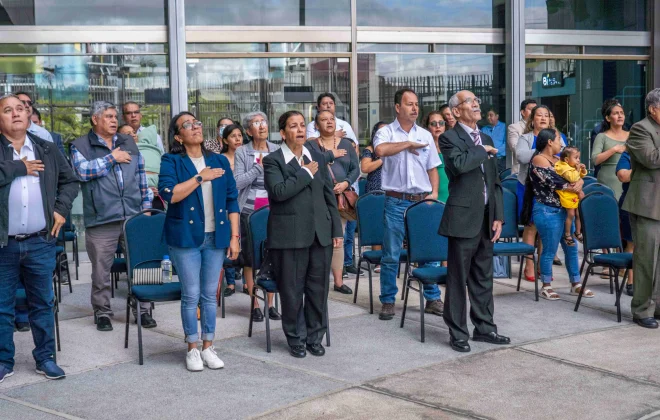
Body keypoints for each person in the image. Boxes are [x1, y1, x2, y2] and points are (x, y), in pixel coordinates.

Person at [0, 93, 79, 383]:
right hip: (3, 244)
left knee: (43, 303)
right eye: (8, 110)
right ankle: (3, 360)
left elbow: (70, 181)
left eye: (20, 108)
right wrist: (20, 167)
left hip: (40, 241)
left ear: (29, 114)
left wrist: (60, 209)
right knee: (2, 306)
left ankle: (45, 358)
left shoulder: (46, 149)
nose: (16, 113)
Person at [158, 111, 240, 370]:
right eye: (188, 125)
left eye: (197, 123)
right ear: (178, 136)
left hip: (216, 236)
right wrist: (200, 177)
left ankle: (208, 346)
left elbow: (231, 200)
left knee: (209, 294)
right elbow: (170, 195)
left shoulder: (219, 160)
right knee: (191, 294)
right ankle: (192, 348)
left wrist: (235, 237)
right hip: (185, 238)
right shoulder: (171, 160)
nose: (195, 127)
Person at [70, 101, 156, 332]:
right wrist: (112, 158)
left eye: (114, 116)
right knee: (101, 270)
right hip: (102, 219)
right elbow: (82, 172)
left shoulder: (127, 142)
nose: (114, 120)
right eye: (108, 116)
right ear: (95, 119)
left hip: (134, 216)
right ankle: (103, 312)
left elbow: (141, 177)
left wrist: (146, 208)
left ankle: (143, 310)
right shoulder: (80, 146)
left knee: (140, 266)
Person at [263, 110, 342, 358]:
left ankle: (314, 336)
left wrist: (336, 229)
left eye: (301, 125)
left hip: (321, 234)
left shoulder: (316, 155)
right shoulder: (273, 160)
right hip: (290, 236)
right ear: (283, 133)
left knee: (318, 289)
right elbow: (279, 192)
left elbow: (329, 195)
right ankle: (295, 337)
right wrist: (305, 172)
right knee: (292, 290)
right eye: (293, 126)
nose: (299, 130)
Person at [438, 90, 508, 353]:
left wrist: (498, 215)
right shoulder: (449, 137)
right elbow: (458, 166)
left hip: (487, 218)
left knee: (483, 276)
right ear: (456, 111)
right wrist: (481, 149)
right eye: (470, 102)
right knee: (458, 278)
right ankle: (457, 332)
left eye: (477, 101)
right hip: (463, 217)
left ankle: (485, 328)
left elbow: (495, 181)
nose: (476, 104)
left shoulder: (487, 137)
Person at [373, 88, 443, 321]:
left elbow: (432, 168)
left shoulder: (425, 134)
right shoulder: (386, 133)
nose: (415, 108)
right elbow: (380, 151)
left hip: (421, 201)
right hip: (395, 201)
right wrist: (406, 144)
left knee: (428, 253)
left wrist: (433, 193)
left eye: (416, 104)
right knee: (392, 254)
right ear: (397, 107)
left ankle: (432, 298)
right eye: (409, 104)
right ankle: (388, 300)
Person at [521, 128, 593, 301]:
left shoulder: (559, 160)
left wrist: (580, 180)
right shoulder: (539, 159)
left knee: (571, 247)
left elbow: (575, 174)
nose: (562, 143)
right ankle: (546, 285)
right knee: (550, 249)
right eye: (559, 139)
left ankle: (575, 283)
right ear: (550, 142)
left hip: (564, 209)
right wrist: (575, 184)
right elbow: (554, 181)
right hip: (547, 210)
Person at [305, 93, 362, 278]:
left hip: (340, 198)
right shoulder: (310, 146)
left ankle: (338, 280)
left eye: (332, 119)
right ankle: (318, 276)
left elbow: (356, 169)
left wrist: (346, 183)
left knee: (339, 237)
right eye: (324, 120)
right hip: (317, 198)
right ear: (316, 125)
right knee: (318, 238)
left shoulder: (346, 143)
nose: (329, 122)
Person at [234, 111, 281, 322]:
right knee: (251, 259)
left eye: (263, 122)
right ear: (248, 130)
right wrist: (257, 168)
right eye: (256, 123)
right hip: (249, 211)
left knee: (273, 255)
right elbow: (237, 183)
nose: (261, 126)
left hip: (273, 209)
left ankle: (270, 304)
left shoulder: (277, 149)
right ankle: (254, 304)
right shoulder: (242, 152)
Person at [622, 88, 660, 329]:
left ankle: (658, 305)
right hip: (648, 205)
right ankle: (642, 309)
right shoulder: (640, 129)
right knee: (647, 259)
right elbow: (651, 159)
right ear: (653, 109)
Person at [516, 105, 566, 280]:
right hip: (528, 187)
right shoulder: (525, 137)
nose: (543, 118)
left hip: (552, 189)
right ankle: (529, 265)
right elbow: (521, 156)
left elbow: (565, 156)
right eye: (539, 115)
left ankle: (542, 266)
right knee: (531, 226)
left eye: (546, 115)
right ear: (532, 119)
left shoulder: (557, 137)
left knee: (545, 229)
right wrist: (545, 149)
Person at [218, 123, 243, 297]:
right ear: (225, 140)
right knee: (228, 241)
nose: (238, 139)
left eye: (240, 135)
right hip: (228, 206)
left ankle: (242, 275)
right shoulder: (221, 159)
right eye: (233, 136)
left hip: (246, 204)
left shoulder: (247, 156)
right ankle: (231, 282)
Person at [360, 121, 387, 273]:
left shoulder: (394, 148)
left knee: (390, 225)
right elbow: (365, 167)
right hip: (375, 190)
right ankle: (378, 261)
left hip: (391, 189)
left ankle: (388, 258)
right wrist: (383, 159)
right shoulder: (370, 150)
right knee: (377, 224)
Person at [591, 101, 628, 200]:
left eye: (622, 113)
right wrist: (613, 149)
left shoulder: (631, 135)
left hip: (627, 178)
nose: (620, 116)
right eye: (616, 113)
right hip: (607, 181)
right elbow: (595, 159)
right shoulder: (601, 136)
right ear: (608, 118)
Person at [554, 146, 587, 245]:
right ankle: (567, 234)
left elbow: (580, 177)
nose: (578, 160)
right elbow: (572, 178)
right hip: (567, 195)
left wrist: (583, 170)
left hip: (574, 193)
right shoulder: (562, 167)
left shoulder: (571, 166)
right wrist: (577, 170)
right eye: (576, 158)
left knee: (578, 213)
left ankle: (578, 232)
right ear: (567, 159)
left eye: (579, 158)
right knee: (571, 214)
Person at [616, 150, 634, 297]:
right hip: (631, 202)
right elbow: (622, 175)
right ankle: (631, 282)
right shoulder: (628, 154)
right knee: (631, 243)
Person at [135, 125, 164, 210]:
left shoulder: (153, 150)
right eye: (127, 133)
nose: (132, 135)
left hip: (157, 195)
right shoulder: (122, 154)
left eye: (133, 133)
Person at [423, 111, 449, 202]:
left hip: (451, 192)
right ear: (427, 127)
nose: (438, 126)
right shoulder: (423, 146)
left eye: (441, 123)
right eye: (433, 123)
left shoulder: (453, 145)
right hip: (429, 193)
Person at [507, 99, 537, 174]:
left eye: (535, 110)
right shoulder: (514, 127)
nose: (534, 112)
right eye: (531, 109)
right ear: (523, 112)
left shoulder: (541, 128)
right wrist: (541, 152)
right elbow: (516, 149)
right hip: (521, 172)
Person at [481, 108, 507, 173]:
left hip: (500, 160)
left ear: (497, 116)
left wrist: (494, 151)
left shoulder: (504, 127)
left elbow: (506, 144)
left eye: (491, 115)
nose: (488, 117)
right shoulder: (484, 129)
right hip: (487, 160)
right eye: (487, 116)